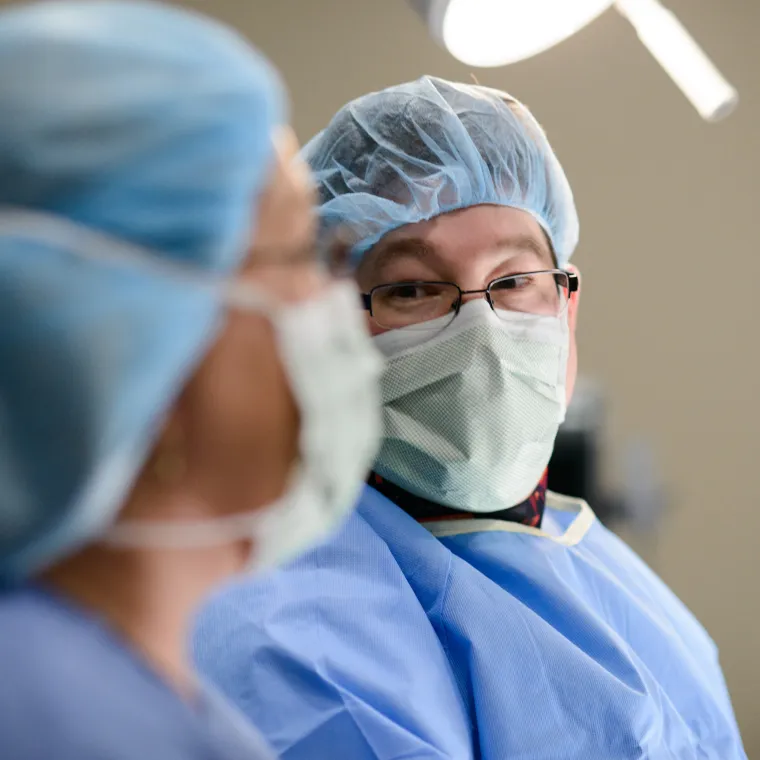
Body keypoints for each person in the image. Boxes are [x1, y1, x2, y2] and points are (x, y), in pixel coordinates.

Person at [194, 77, 747, 759]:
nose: (481, 331)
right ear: (327, 329)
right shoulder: (295, 640)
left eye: (514, 281)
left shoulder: (609, 576)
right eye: (412, 290)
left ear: (566, 309)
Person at [0, 2, 382, 759]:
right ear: (136, 354)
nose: (336, 304)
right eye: (305, 253)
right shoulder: (56, 722)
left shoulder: (137, 704)